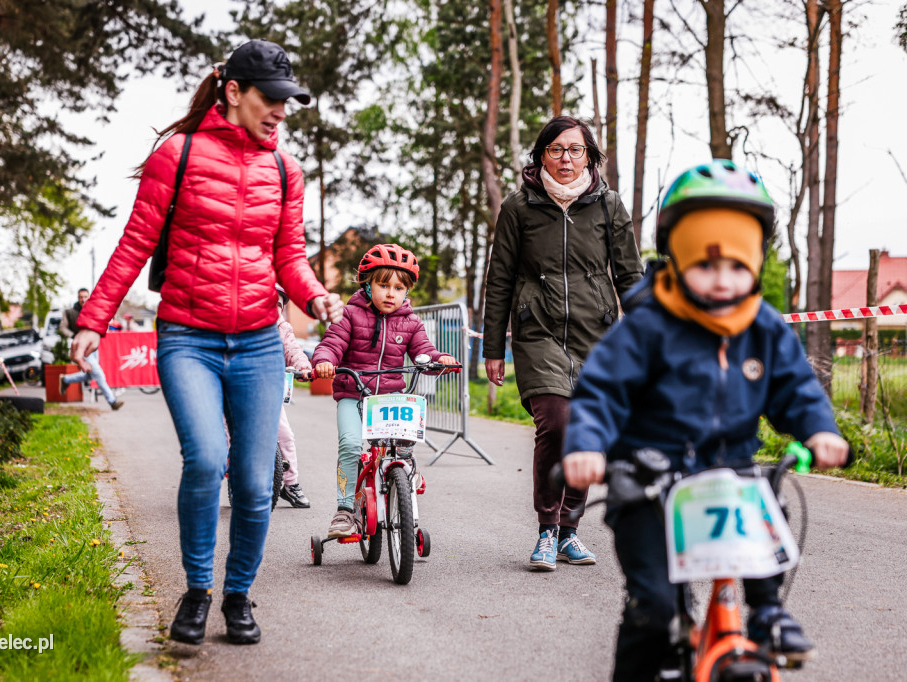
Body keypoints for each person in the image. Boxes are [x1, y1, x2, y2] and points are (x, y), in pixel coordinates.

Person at [70, 40, 344, 647]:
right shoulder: (179, 154)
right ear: (234, 92)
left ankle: (238, 596)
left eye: (288, 101)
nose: (280, 110)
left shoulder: (284, 170)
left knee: (252, 481)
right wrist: (94, 320)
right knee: (205, 460)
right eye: (270, 98)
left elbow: (289, 258)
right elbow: (135, 243)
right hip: (187, 336)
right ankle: (197, 591)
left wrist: (315, 297)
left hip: (256, 343)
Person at [560, 160, 850, 681]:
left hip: (728, 474)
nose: (723, 281)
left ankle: (766, 613)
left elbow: (795, 388)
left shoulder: (763, 326)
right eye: (707, 265)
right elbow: (601, 391)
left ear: (756, 264)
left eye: (738, 267)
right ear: (679, 257)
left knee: (768, 520)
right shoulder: (648, 325)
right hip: (648, 480)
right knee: (655, 609)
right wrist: (588, 446)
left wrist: (820, 429)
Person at [482, 115, 643, 571]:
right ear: (541, 155)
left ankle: (570, 532)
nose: (566, 158)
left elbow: (630, 275)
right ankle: (547, 529)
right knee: (557, 421)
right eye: (556, 149)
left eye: (575, 149)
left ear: (590, 155)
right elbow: (500, 280)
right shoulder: (519, 207)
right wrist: (493, 346)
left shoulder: (609, 205)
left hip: (598, 335)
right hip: (538, 330)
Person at [312, 244, 458, 538]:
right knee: (351, 444)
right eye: (383, 285)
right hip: (354, 395)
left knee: (405, 437)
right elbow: (332, 343)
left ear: (407, 291)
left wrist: (438, 359)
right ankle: (344, 510)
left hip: (389, 398)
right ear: (367, 284)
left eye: (399, 287)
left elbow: (423, 351)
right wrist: (325, 361)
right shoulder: (349, 315)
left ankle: (406, 468)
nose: (391, 293)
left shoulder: (412, 321)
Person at [275, 285, 312, 508]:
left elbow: (293, 350)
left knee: (285, 435)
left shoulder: (282, 328)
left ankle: (291, 484)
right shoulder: (240, 327)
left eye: (278, 306)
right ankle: (226, 468)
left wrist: (303, 366)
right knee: (226, 432)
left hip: (269, 392)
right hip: (235, 389)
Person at [58, 288, 124, 411]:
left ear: (89, 298)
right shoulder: (70, 312)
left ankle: (66, 379)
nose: (83, 299)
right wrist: (73, 336)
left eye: (85, 297)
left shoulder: (93, 311)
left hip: (93, 348)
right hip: (81, 348)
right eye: (81, 297)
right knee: (98, 373)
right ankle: (112, 401)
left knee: (89, 375)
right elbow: (63, 327)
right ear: (78, 298)